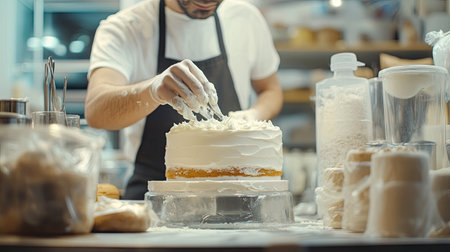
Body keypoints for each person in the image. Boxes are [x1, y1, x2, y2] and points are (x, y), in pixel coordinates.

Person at [85, 0, 283, 199]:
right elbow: (96, 111)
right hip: (154, 199)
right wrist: (152, 90)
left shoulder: (245, 18)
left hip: (238, 198)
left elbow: (271, 90)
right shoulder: (126, 27)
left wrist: (253, 115)